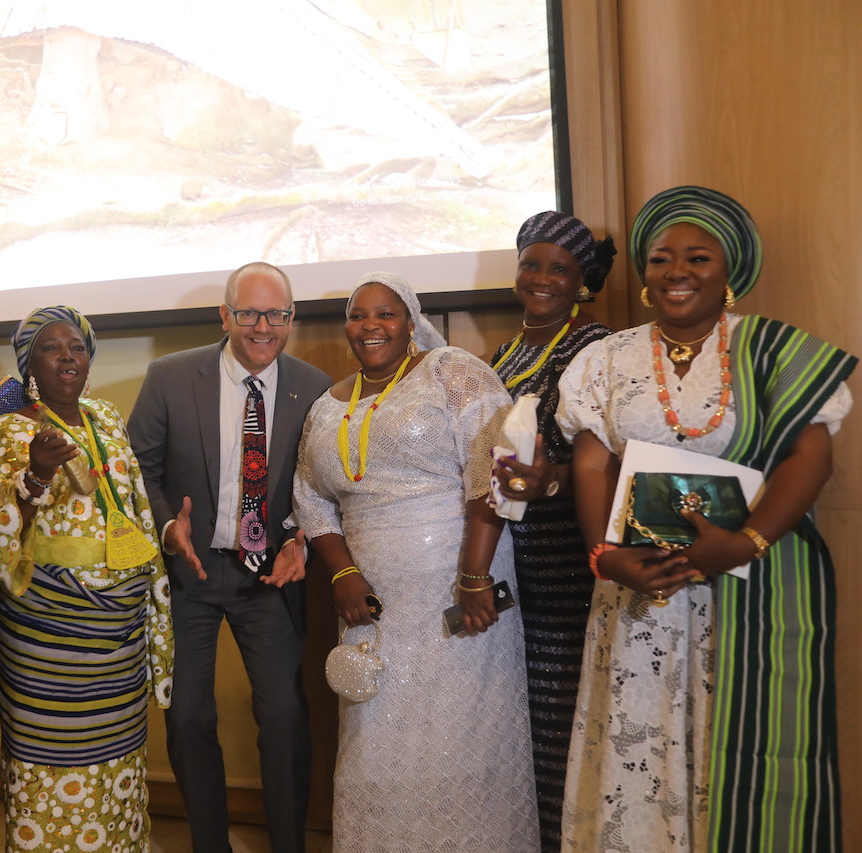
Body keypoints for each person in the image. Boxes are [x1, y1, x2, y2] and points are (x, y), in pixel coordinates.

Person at [558, 186, 856, 851]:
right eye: (661, 258)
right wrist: (605, 555)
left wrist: (744, 542)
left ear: (729, 272)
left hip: (742, 593)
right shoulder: (604, 359)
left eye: (698, 257)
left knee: (734, 749)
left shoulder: (775, 350)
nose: (676, 272)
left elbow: (814, 455)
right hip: (638, 595)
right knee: (639, 752)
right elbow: (589, 465)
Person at [292, 271, 539, 852]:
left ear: (410, 321)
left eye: (386, 313)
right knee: (374, 743)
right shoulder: (329, 403)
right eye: (357, 315)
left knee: (462, 736)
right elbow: (310, 496)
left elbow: (492, 473)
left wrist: (476, 577)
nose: (370, 326)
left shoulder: (451, 371)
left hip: (459, 591)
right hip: (369, 606)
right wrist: (344, 573)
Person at [127, 262, 330, 853]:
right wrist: (168, 526)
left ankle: (288, 843)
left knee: (287, 716)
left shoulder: (313, 387)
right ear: (225, 315)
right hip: (190, 572)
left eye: (276, 314)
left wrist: (300, 538)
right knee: (188, 716)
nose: (262, 327)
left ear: (291, 318)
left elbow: (319, 484)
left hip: (267, 576)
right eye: (249, 313)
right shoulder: (169, 376)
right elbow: (138, 464)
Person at [0, 305, 173, 853]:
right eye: (53, 348)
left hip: (117, 634)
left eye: (77, 347)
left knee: (120, 763)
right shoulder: (5, 431)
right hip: (47, 634)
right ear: (30, 362)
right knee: (53, 761)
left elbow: (135, 506)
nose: (68, 357)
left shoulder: (106, 419)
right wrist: (38, 473)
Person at [488, 211, 615, 851]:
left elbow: (612, 461)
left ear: (582, 279)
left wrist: (551, 484)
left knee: (567, 723)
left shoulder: (593, 347)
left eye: (558, 268)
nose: (540, 278)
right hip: (514, 564)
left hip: (567, 565)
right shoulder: (509, 350)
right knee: (526, 728)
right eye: (531, 263)